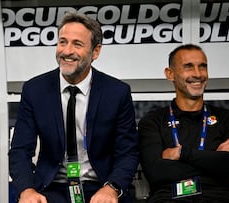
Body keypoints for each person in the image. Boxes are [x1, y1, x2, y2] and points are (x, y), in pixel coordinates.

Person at [9, 12, 139, 203]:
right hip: (51, 186)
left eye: (77, 44)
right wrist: (27, 190)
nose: (66, 51)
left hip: (100, 186)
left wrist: (112, 187)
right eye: (62, 42)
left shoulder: (117, 92)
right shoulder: (34, 90)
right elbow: (20, 149)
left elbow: (128, 151)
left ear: (96, 51)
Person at [138, 44, 229, 203]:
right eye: (189, 67)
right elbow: (156, 171)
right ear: (170, 74)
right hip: (169, 198)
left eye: (202, 66)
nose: (198, 74)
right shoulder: (153, 121)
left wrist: (182, 154)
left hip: (220, 198)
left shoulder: (228, 119)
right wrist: (215, 157)